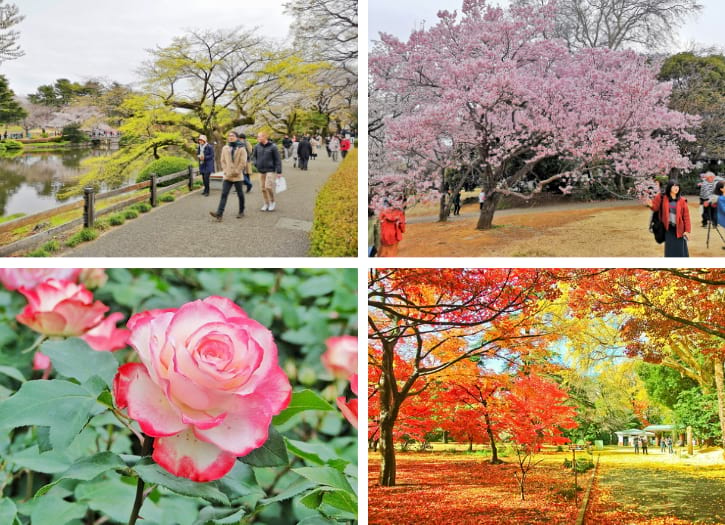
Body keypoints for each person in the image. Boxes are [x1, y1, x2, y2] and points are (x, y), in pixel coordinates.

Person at [209, 131, 246, 222]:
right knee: (224, 194)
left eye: (232, 136)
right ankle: (219, 214)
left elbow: (243, 162)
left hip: (237, 176)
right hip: (228, 176)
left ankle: (241, 211)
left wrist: (237, 171)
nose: (230, 137)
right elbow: (222, 161)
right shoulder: (225, 148)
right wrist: (225, 171)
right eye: (229, 136)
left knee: (240, 194)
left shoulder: (241, 148)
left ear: (237, 137)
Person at [647, 180, 691, 257]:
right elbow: (655, 208)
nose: (676, 188)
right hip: (668, 228)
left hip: (679, 229)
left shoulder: (682, 200)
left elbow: (686, 217)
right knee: (670, 251)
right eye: (674, 186)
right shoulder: (662, 197)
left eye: (677, 186)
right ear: (669, 187)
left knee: (680, 251)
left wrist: (687, 231)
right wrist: (650, 205)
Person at [252, 131, 282, 211]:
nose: (258, 138)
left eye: (259, 137)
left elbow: (278, 160)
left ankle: (272, 201)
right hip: (261, 170)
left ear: (265, 137)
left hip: (270, 170)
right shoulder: (257, 146)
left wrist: (279, 171)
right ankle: (266, 203)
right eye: (258, 137)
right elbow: (254, 156)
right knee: (262, 188)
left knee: (268, 186)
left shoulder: (273, 147)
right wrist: (255, 163)